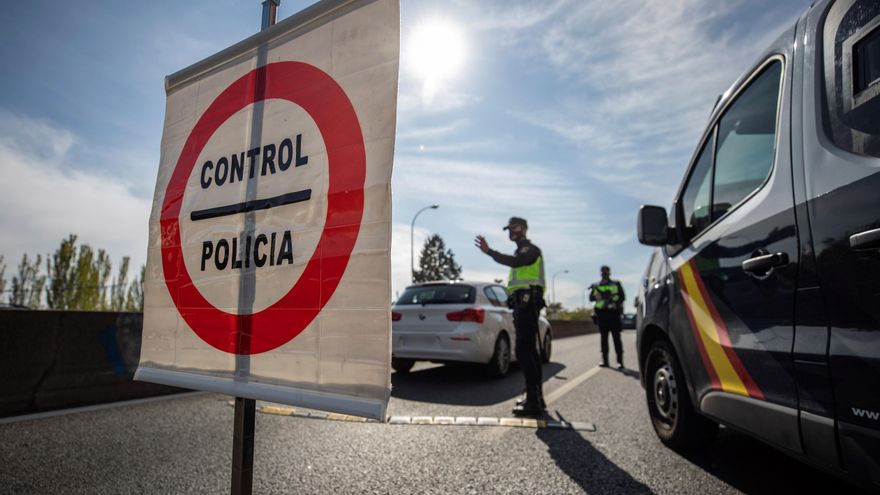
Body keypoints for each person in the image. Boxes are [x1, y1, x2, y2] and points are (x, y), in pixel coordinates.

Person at [474, 217, 546, 417]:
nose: (510, 232)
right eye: (508, 229)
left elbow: (517, 262)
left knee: (525, 351)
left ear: (523, 228)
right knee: (528, 350)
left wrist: (490, 252)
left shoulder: (529, 250)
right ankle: (536, 398)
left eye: (513, 228)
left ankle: (534, 400)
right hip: (522, 305)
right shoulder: (521, 250)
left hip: (528, 304)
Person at [589, 265, 625, 369]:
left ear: (609, 272)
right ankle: (605, 360)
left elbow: (622, 297)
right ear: (600, 273)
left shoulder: (616, 284)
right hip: (601, 314)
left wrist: (615, 302)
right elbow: (591, 298)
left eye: (606, 272)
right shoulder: (596, 285)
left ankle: (620, 361)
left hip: (613, 314)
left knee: (616, 338)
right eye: (603, 272)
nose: (604, 274)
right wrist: (596, 297)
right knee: (603, 339)